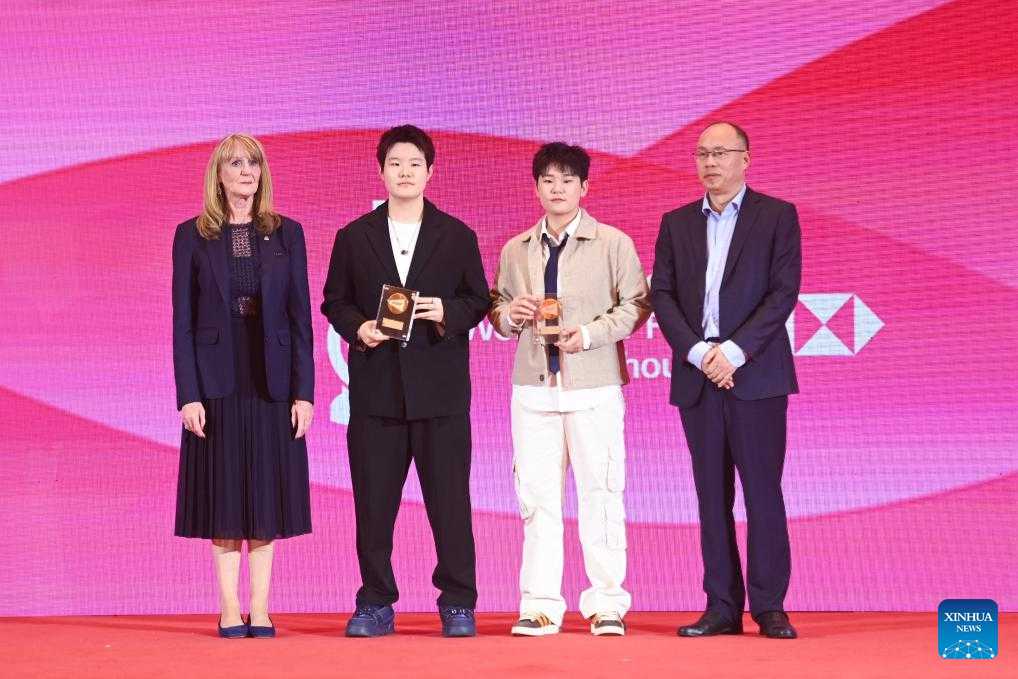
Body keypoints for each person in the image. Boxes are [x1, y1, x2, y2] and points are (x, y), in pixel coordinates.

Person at [321, 125, 489, 638]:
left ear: (430, 172)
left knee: (450, 506)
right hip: (376, 394)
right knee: (374, 508)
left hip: (441, 394)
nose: (405, 172)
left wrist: (446, 312)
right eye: (395, 163)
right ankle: (375, 601)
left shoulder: (456, 235)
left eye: (415, 163)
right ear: (381, 171)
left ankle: (458, 602)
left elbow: (478, 299)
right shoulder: (354, 236)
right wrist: (360, 328)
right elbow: (334, 301)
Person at [489, 142, 651, 637]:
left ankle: (607, 603)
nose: (557, 189)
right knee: (536, 499)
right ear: (536, 188)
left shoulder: (612, 243)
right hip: (534, 390)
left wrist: (590, 334)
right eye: (548, 180)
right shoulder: (516, 248)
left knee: (602, 494)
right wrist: (509, 314)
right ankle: (540, 603)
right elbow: (496, 307)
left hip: (594, 387)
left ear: (585, 187)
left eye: (567, 180)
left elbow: (637, 305)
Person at [651, 122, 801, 639]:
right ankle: (721, 606)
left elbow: (782, 293)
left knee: (762, 493)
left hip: (755, 374)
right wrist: (698, 353)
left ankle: (770, 606)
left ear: (745, 158)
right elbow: (663, 295)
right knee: (710, 497)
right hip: (698, 376)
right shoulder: (676, 223)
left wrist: (733, 353)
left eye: (720, 153)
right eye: (702, 154)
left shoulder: (777, 216)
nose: (710, 162)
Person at [172, 133, 314, 639]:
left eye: (253, 163)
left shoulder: (287, 233)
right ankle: (229, 606)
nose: (246, 171)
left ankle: (261, 607)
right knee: (226, 493)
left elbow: (301, 319)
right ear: (219, 174)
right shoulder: (192, 235)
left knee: (265, 494)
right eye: (235, 163)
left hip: (271, 375)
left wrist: (304, 392)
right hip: (216, 379)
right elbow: (182, 322)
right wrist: (188, 394)